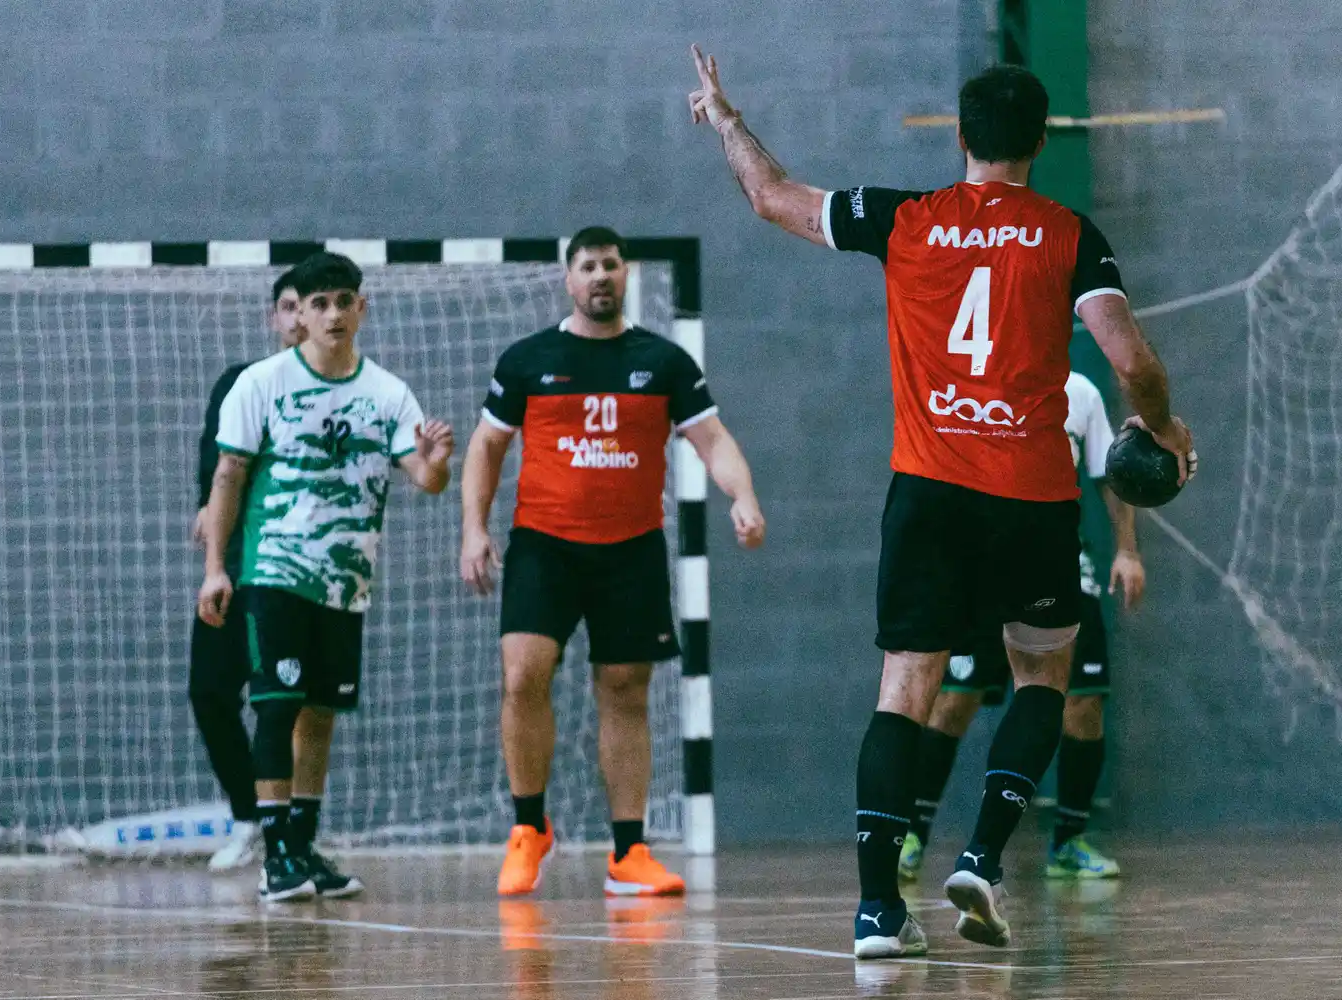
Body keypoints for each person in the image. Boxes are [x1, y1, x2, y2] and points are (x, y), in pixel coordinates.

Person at [688, 53, 1195, 957]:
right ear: (1039, 140)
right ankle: (983, 856)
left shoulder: (903, 217)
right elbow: (1130, 360)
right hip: (1031, 499)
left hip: (927, 493)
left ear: (960, 136)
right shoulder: (1069, 233)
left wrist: (728, 121)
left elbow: (772, 197)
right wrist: (1164, 428)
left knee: (903, 691)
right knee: (1043, 678)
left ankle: (880, 910)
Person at [460, 226, 766, 898]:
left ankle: (629, 853)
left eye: (611, 265)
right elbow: (485, 447)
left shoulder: (664, 361)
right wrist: (474, 531)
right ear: (569, 280)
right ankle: (527, 827)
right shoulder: (528, 360)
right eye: (588, 266)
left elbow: (712, 440)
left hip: (630, 550)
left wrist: (741, 496)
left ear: (625, 275)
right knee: (522, 675)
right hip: (545, 544)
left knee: (625, 688)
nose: (600, 275)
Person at [198, 252, 455, 902]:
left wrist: (437, 462)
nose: (333, 313)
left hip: (345, 582)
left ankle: (303, 841)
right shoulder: (260, 383)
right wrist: (214, 570)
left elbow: (423, 479)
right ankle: (275, 852)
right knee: (276, 707)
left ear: (361, 307)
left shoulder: (389, 393)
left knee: (321, 713)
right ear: (298, 315)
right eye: (320, 304)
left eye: (345, 300)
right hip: (274, 571)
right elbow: (227, 479)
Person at [898, 370, 1144, 885]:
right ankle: (913, 833)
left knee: (1084, 702)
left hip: (1058, 570)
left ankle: (1069, 840)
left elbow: (1108, 475)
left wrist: (1126, 550)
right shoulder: (969, 382)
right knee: (951, 701)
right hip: (979, 572)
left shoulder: (1080, 392)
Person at [190, 269, 303, 872]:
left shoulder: (340, 394)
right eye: (284, 307)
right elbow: (216, 462)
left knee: (285, 704)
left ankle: (295, 834)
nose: (293, 318)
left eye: (302, 307)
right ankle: (250, 816)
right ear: (274, 318)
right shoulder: (241, 383)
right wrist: (206, 508)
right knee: (209, 690)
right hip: (236, 565)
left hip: (296, 571)